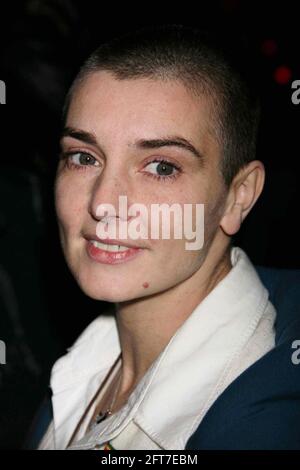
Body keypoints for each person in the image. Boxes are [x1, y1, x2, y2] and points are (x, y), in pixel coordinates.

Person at [35, 24, 291, 450]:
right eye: (83, 157)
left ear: (237, 197)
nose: (104, 203)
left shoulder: (264, 425)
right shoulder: (82, 368)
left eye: (161, 167)